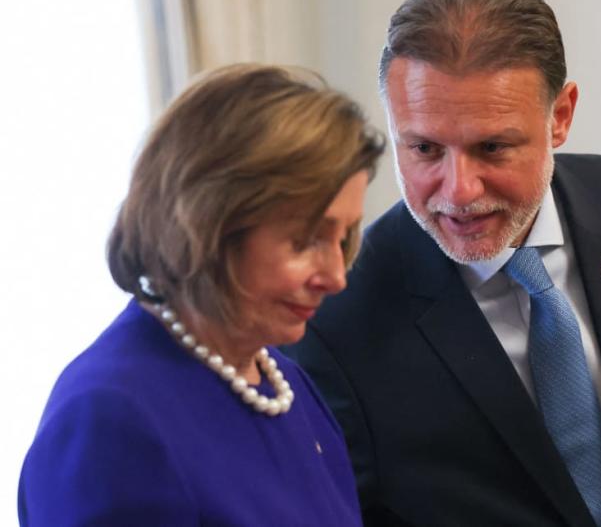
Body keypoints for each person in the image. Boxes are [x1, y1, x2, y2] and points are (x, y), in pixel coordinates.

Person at [287, 0, 601, 526]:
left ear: (560, 116)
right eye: (424, 149)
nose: (458, 190)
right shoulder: (339, 313)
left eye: (492, 147)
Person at [18, 64, 383, 525]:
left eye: (345, 238)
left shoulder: (285, 384)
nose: (336, 277)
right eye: (307, 239)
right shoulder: (109, 419)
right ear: (208, 225)